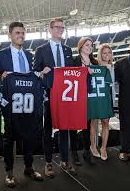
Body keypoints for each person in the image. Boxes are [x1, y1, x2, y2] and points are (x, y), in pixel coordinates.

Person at [0, 22, 43, 188]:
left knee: (29, 136)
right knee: (9, 137)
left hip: (27, 103)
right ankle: (9, 172)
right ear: (10, 35)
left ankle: (29, 167)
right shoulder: (1, 54)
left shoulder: (29, 55)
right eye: (17, 33)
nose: (21, 35)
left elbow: (32, 77)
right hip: (9, 103)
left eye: (22, 33)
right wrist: (1, 76)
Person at [34, 18, 77, 177]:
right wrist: (41, 73)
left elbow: (72, 72)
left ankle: (65, 161)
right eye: (57, 27)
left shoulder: (67, 50)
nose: (60, 30)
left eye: (62, 28)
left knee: (64, 128)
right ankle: (48, 162)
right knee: (48, 129)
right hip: (50, 94)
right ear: (50, 30)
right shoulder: (41, 50)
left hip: (65, 96)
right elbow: (35, 72)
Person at [73, 37, 98, 165]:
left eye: (91, 45)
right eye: (87, 45)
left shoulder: (95, 62)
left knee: (87, 126)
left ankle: (86, 152)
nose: (89, 47)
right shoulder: (74, 61)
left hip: (90, 98)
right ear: (81, 46)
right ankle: (74, 152)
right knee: (73, 126)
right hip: (76, 97)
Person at [90, 44, 115, 161]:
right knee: (94, 122)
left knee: (105, 122)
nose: (106, 55)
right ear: (100, 54)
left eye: (109, 53)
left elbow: (113, 85)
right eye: (104, 53)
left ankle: (103, 147)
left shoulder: (114, 67)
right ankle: (93, 146)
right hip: (96, 97)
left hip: (107, 98)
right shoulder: (94, 66)